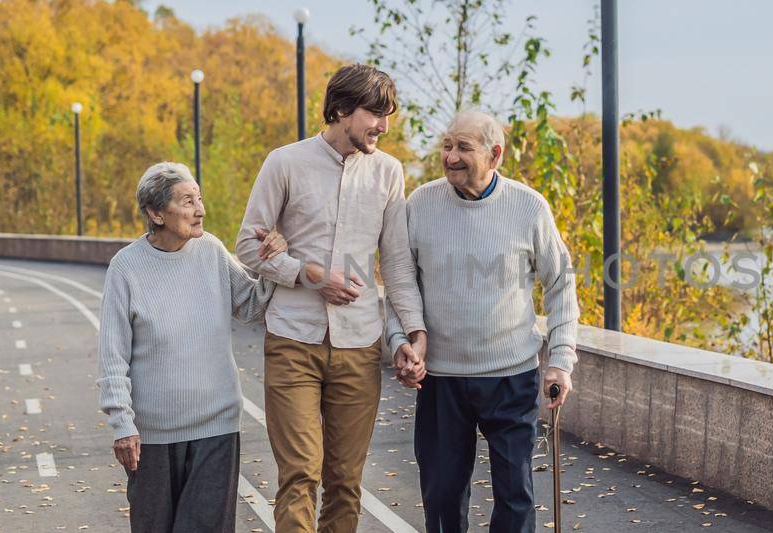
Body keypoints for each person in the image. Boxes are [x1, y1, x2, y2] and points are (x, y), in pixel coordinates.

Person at [235, 64, 427, 533]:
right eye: (375, 114)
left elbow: (397, 265)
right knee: (300, 473)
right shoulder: (285, 163)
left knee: (345, 480)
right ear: (341, 109)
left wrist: (415, 334)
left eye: (388, 116)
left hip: (359, 347)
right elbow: (245, 246)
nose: (383, 126)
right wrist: (307, 273)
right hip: (292, 342)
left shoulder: (387, 172)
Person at [386, 110, 579, 533]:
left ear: (495, 154)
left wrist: (561, 362)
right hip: (440, 380)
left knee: (515, 498)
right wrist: (399, 339)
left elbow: (561, 286)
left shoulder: (528, 207)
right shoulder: (420, 204)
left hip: (511, 378)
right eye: (447, 146)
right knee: (441, 496)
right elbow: (400, 285)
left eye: (463, 148)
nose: (450, 156)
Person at [97, 162, 285, 532]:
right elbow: (112, 355)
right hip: (151, 436)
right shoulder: (126, 268)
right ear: (156, 213)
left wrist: (271, 262)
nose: (200, 209)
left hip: (216, 426)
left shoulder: (211, 251)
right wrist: (123, 424)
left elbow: (251, 305)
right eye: (187, 201)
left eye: (199, 199)